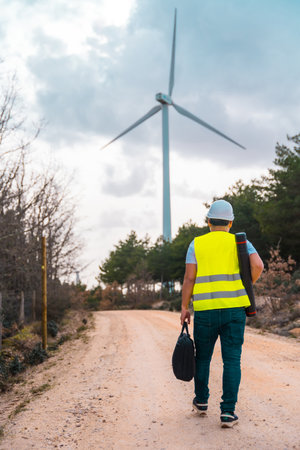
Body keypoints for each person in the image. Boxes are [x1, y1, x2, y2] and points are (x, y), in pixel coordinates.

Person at [180, 199, 264, 428]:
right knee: (232, 360)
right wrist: (246, 285)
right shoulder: (241, 242)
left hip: (206, 311)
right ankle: (228, 412)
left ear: (208, 221)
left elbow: (189, 278)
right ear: (231, 222)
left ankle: (202, 401)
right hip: (234, 310)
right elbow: (258, 266)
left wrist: (184, 307)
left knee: (203, 358)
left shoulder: (196, 244)